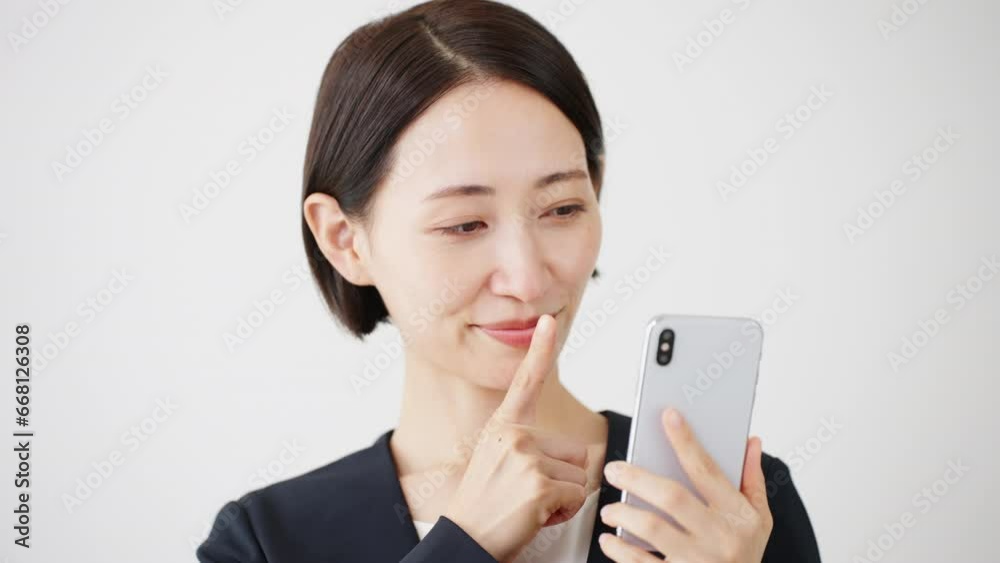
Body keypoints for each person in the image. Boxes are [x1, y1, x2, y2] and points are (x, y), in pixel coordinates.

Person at [197, 1, 822, 561]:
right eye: (464, 224)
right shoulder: (267, 542)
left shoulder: (730, 513)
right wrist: (463, 545)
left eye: (563, 209)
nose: (526, 279)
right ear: (344, 239)